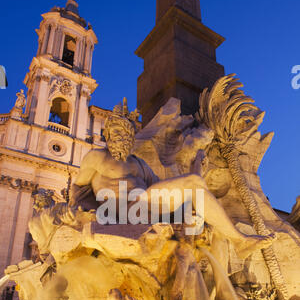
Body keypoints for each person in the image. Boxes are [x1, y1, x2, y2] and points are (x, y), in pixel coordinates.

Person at [70, 101, 275, 259]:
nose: (120, 136)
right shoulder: (97, 157)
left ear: (131, 136)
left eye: (125, 132)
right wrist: (84, 214)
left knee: (198, 199)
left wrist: (195, 170)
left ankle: (237, 241)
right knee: (193, 184)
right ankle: (240, 240)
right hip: (124, 210)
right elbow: (79, 190)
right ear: (107, 134)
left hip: (147, 206)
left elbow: (164, 187)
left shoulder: (140, 163)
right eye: (115, 132)